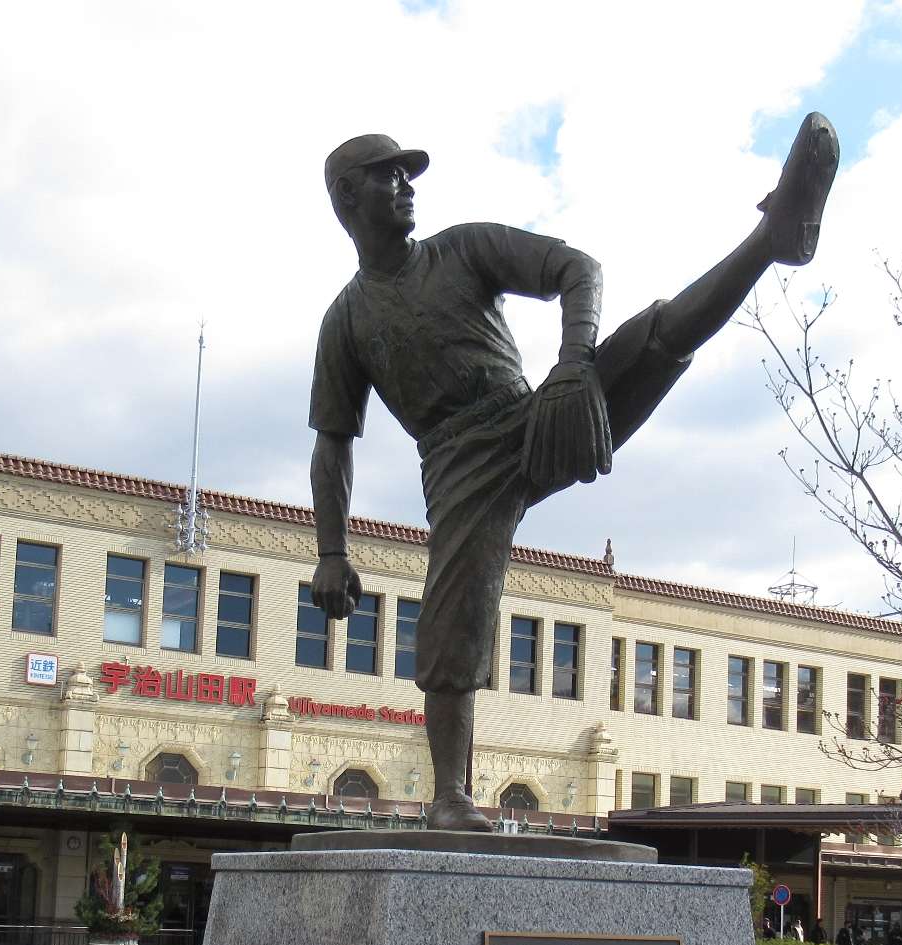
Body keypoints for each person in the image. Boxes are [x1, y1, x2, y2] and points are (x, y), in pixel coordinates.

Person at [308, 122, 840, 830]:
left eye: (408, 176)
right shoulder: (345, 320)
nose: (405, 189)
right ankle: (448, 796)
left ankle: (773, 239)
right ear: (347, 197)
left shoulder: (462, 248)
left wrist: (573, 363)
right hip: (458, 461)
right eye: (388, 176)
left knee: (654, 337)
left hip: (539, 416)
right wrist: (331, 552)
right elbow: (333, 443)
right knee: (452, 616)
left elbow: (577, 269)